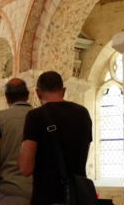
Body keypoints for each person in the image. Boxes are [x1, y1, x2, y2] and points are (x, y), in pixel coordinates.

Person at [19, 71, 92, 205]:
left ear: (38, 93)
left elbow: (25, 168)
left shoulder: (35, 116)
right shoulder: (83, 113)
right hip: (77, 196)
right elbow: (83, 154)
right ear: (63, 90)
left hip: (46, 197)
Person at [0, 78, 33, 204]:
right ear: (27, 95)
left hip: (9, 192)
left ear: (6, 97)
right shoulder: (41, 116)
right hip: (39, 192)